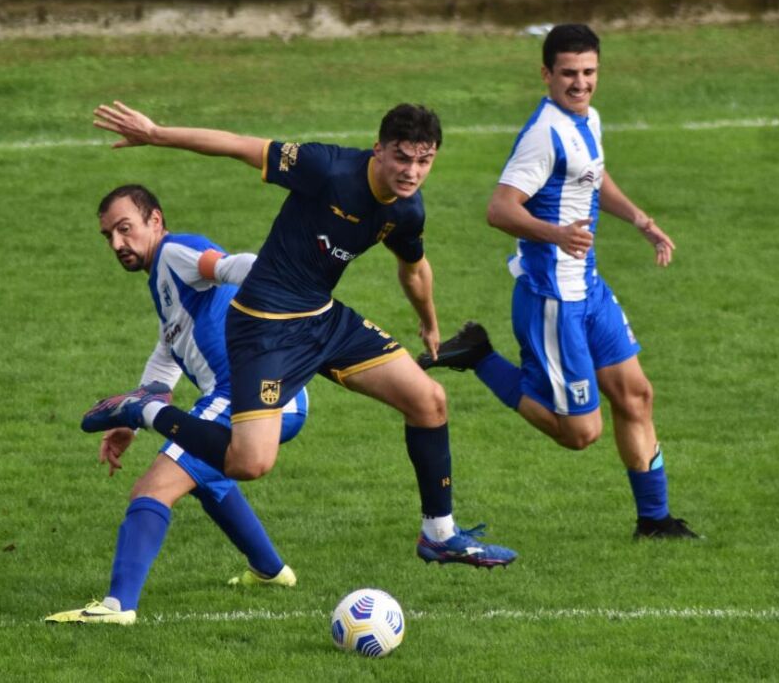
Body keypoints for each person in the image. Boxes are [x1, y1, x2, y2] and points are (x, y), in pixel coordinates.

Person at [84, 101, 517, 567]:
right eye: (402, 157)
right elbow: (239, 146)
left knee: (429, 400)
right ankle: (145, 409)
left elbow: (414, 268)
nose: (412, 172)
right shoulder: (327, 168)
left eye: (424, 161)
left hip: (322, 319)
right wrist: (156, 134)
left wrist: (429, 322)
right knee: (249, 463)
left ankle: (439, 535)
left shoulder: (407, 210)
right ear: (379, 150)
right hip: (264, 327)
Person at [418, 24, 698, 540]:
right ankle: (480, 356)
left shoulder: (587, 118)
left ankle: (654, 521)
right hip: (553, 299)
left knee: (636, 396)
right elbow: (500, 209)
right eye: (569, 73)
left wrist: (639, 219)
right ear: (546, 74)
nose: (580, 83)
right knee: (580, 433)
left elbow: (591, 174)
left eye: (589, 72)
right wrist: (557, 234)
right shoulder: (543, 135)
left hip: (588, 288)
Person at [46, 185, 309, 626]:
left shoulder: (173, 252)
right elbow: (167, 353)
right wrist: (131, 419)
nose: (117, 243)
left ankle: (118, 606)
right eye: (109, 236)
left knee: (152, 489)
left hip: (243, 397)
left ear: (155, 220)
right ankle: (270, 570)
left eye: (125, 229)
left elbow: (233, 266)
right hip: (272, 397)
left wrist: (287, 285)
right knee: (209, 479)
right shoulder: (164, 282)